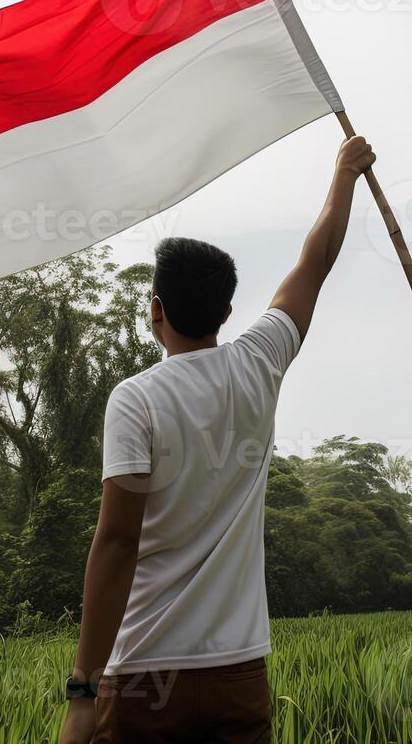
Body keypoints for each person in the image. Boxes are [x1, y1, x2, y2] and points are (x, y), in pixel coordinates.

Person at [56, 135, 377, 744]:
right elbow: (314, 263)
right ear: (228, 312)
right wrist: (344, 175)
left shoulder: (136, 398)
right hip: (238, 674)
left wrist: (82, 689)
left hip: (146, 676)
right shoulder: (259, 363)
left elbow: (119, 542)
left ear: (155, 310)